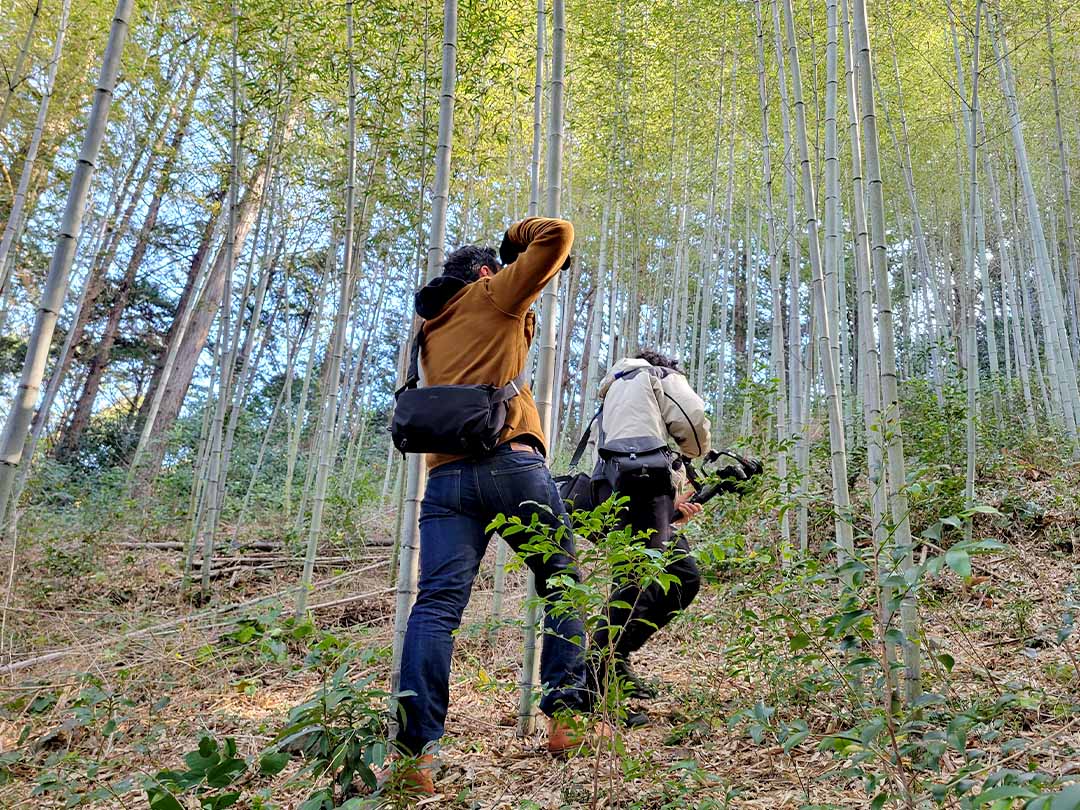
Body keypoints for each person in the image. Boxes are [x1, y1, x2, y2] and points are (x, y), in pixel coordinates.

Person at [390, 218, 592, 795]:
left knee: (435, 610)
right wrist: (515, 242)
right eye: (498, 268)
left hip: (447, 483)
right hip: (511, 467)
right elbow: (558, 234)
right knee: (561, 582)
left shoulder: (430, 326)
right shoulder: (492, 293)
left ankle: (414, 754)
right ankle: (567, 717)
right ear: (484, 272)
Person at [587, 350, 711, 719]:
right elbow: (692, 421)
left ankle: (617, 658)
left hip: (617, 487)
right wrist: (697, 451)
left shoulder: (614, 390)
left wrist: (671, 506)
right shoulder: (651, 374)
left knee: (682, 577)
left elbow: (629, 449)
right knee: (636, 581)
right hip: (642, 486)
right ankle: (595, 684)